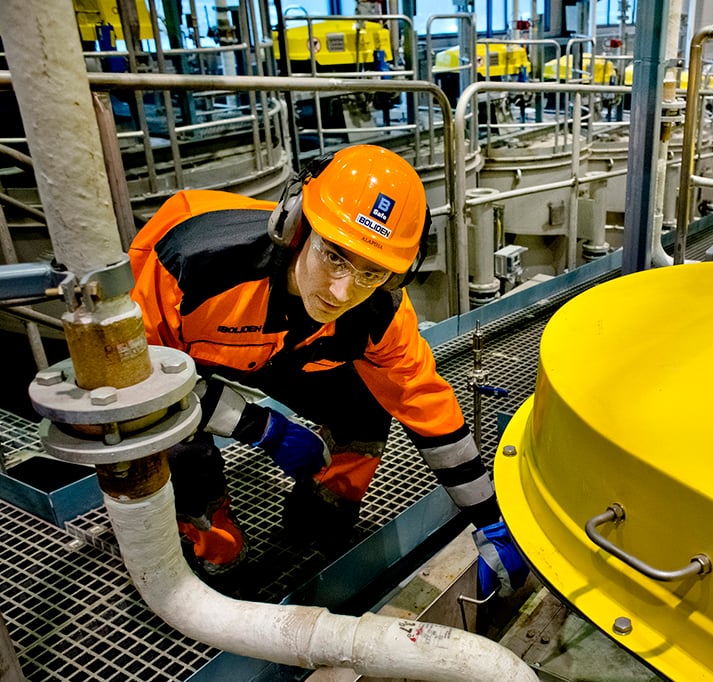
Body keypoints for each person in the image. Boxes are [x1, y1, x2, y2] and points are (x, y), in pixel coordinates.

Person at [128, 144, 528, 598]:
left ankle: (321, 510)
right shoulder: (192, 269)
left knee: (368, 407)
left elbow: (427, 408)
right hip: (187, 359)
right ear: (294, 225)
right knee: (174, 445)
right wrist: (262, 427)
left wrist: (490, 520)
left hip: (294, 354)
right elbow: (146, 389)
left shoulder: (380, 311)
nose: (341, 292)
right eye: (334, 255)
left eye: (371, 273)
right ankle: (213, 539)